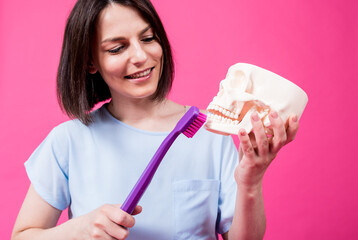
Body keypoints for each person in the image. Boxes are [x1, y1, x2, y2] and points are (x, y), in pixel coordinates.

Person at [11, 0, 299, 239]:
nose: (140, 55)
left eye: (148, 38)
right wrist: (79, 229)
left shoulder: (213, 134)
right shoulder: (67, 141)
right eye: (117, 48)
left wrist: (251, 181)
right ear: (90, 62)